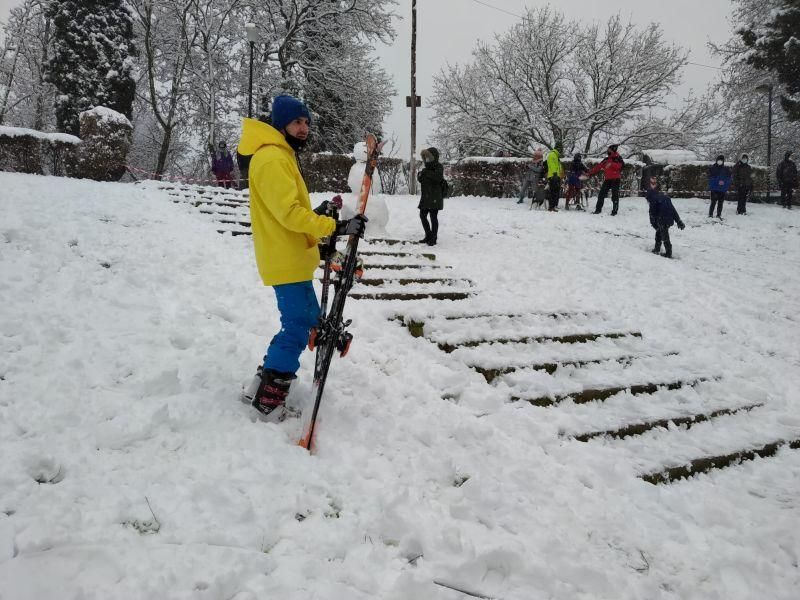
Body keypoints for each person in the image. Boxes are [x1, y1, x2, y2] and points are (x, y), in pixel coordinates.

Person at [237, 95, 367, 417]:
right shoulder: (272, 159)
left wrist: (318, 220)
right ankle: (268, 401)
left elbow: (289, 211)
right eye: (297, 122)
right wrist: (332, 225)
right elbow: (288, 213)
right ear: (280, 123)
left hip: (290, 257)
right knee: (298, 327)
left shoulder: (280, 155)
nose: (304, 128)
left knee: (299, 322)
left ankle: (261, 383)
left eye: (307, 122)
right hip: (285, 260)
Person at [645, 176, 685, 259]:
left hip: (662, 219)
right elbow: (673, 210)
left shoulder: (653, 200)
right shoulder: (665, 197)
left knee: (664, 236)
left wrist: (655, 224)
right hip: (668, 219)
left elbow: (652, 214)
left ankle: (668, 253)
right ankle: (657, 248)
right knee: (659, 233)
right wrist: (679, 221)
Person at [585, 144, 625, 215]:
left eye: (609, 149)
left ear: (613, 150)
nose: (607, 151)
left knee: (615, 196)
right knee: (601, 194)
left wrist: (612, 164)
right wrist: (589, 173)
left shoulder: (618, 158)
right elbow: (598, 167)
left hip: (616, 179)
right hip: (607, 180)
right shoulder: (606, 159)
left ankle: (614, 211)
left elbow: (621, 166)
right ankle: (598, 210)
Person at [417, 147, 445, 246]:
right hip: (426, 197)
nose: (427, 160)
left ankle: (434, 237)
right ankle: (428, 235)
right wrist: (420, 175)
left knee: (433, 217)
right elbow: (421, 180)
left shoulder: (438, 166)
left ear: (434, 157)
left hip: (435, 197)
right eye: (425, 158)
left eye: (428, 157)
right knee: (422, 215)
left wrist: (426, 173)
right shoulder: (426, 168)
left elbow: (438, 177)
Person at [545, 147, 563, 212]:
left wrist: (559, 175)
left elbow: (559, 166)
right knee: (553, 192)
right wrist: (554, 173)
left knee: (556, 192)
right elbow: (551, 164)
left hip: (556, 176)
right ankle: (551, 207)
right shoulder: (552, 154)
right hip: (553, 176)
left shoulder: (556, 156)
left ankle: (553, 206)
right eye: (561, 150)